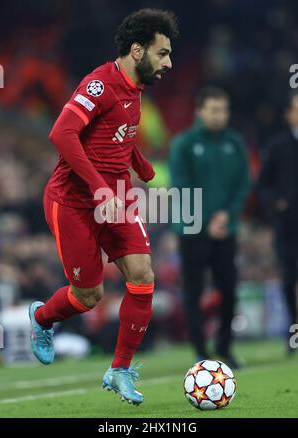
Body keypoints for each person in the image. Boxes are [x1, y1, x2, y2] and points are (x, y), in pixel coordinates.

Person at [29, 8, 178, 405]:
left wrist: (140, 164)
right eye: (162, 53)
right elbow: (61, 133)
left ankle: (119, 369)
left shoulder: (135, 88)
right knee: (88, 295)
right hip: (74, 202)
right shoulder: (100, 84)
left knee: (143, 275)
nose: (169, 62)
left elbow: (115, 135)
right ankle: (42, 318)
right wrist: (98, 188)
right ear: (136, 50)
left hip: (117, 198)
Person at [169, 86, 250, 368]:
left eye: (223, 110)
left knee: (228, 288)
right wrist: (207, 220)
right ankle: (201, 352)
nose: (219, 115)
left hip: (225, 230)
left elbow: (243, 183)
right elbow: (181, 186)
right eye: (213, 110)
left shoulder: (235, 142)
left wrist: (226, 215)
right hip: (191, 230)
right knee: (193, 291)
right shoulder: (184, 143)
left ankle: (225, 347)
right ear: (199, 111)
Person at [257, 92, 298, 354]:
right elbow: (262, 185)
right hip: (288, 226)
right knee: (288, 279)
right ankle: (293, 332)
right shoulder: (277, 146)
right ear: (289, 115)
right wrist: (277, 205)